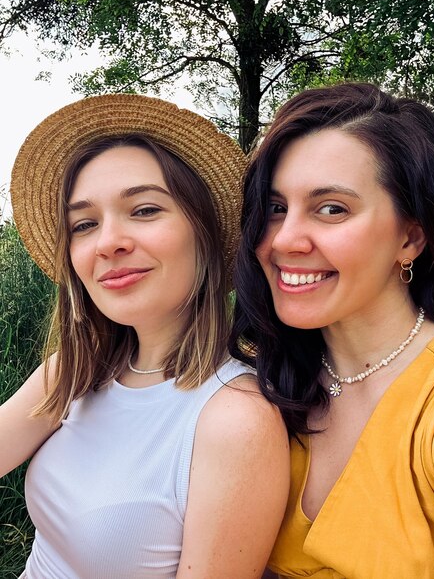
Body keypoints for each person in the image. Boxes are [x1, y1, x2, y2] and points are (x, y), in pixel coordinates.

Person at [1, 93, 290, 579]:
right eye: (84, 224)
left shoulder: (234, 419)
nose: (108, 241)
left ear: (206, 231)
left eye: (145, 210)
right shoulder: (76, 371)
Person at [230, 82, 434, 578]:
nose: (285, 240)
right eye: (276, 208)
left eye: (331, 208)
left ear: (411, 237)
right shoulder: (261, 380)